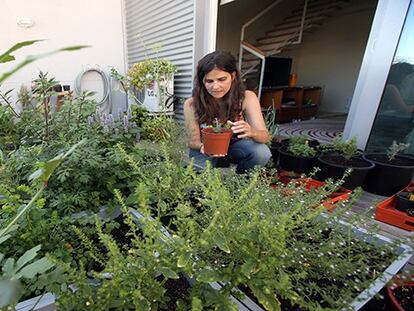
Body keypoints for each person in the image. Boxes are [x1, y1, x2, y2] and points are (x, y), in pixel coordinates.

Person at [184, 51, 271, 174]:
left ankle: (241, 184)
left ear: (233, 76)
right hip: (204, 150)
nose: (216, 86)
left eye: (221, 79)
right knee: (199, 188)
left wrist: (252, 132)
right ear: (203, 81)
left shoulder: (246, 97)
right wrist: (203, 147)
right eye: (209, 81)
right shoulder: (191, 104)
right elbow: (193, 142)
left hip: (233, 148)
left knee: (261, 152)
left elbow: (264, 136)